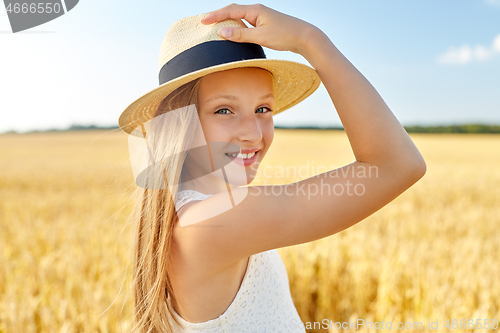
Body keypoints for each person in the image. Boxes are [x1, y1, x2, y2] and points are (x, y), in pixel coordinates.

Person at [118, 4, 426, 333]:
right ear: (180, 124)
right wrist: (310, 40)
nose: (253, 134)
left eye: (263, 108)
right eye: (224, 110)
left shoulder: (191, 211)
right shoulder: (210, 223)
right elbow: (396, 165)